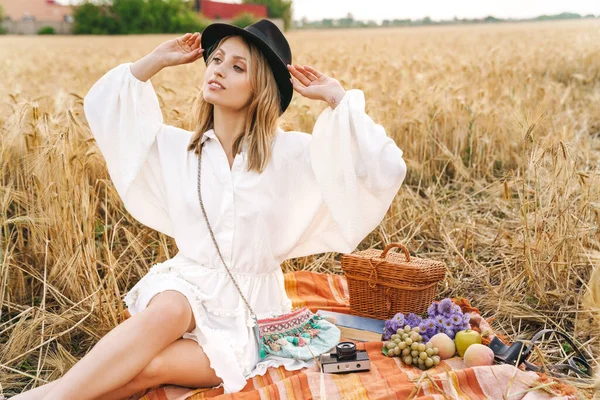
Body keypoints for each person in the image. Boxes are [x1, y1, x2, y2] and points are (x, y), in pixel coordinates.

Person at [16, 19, 406, 399]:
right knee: (167, 310)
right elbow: (107, 113)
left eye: (238, 67)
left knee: (150, 369)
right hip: (185, 286)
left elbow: (384, 168)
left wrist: (338, 98)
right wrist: (153, 61)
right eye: (217, 59)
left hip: (250, 315)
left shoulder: (294, 155)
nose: (218, 70)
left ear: (261, 89)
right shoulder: (177, 149)